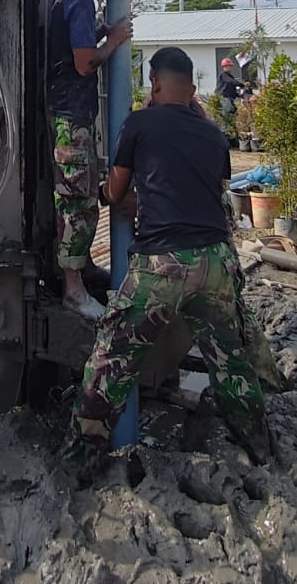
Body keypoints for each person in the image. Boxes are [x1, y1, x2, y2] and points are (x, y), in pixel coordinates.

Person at [66, 45, 271, 467]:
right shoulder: (215, 135)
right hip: (217, 262)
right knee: (231, 363)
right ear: (194, 90)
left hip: (163, 266)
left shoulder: (138, 124)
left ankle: (81, 459)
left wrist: (123, 196)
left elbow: (113, 194)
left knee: (111, 363)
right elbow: (204, 192)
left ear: (154, 83)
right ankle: (260, 447)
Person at [47, 0, 137, 319]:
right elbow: (84, 63)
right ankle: (72, 288)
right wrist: (114, 39)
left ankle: (80, 270)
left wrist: (103, 34)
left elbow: (73, 48)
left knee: (80, 196)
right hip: (71, 114)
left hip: (72, 111)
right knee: (77, 201)